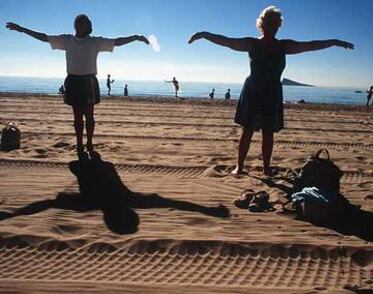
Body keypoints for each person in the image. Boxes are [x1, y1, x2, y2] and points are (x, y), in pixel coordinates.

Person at [189, 6, 353, 176]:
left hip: (272, 91)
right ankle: (239, 166)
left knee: (268, 132)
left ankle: (266, 168)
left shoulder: (283, 46)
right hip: (253, 90)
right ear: (262, 23)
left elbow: (310, 45)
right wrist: (204, 34)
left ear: (279, 25)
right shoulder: (252, 43)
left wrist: (334, 42)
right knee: (247, 130)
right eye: (269, 22)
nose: (273, 25)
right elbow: (227, 41)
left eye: (276, 23)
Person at [6, 15, 149, 159]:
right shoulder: (67, 40)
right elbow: (44, 37)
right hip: (73, 81)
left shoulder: (95, 42)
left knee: (89, 116)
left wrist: (135, 37)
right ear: (79, 26)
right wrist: (22, 29)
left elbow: (117, 42)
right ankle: (80, 144)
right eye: (88, 24)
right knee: (77, 117)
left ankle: (89, 143)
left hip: (89, 81)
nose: (90, 27)